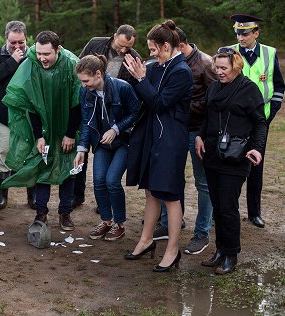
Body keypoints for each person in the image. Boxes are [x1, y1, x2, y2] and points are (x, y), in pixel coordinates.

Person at [123, 20, 193, 272]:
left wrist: (142, 78)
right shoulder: (156, 67)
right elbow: (142, 95)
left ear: (166, 46)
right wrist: (135, 76)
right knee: (151, 190)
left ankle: (173, 250)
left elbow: (160, 103)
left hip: (171, 139)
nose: (150, 54)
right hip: (151, 136)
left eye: (153, 49)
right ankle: (146, 239)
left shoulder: (181, 71)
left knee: (170, 195)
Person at [196, 47, 266, 274]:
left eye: (224, 68)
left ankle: (231, 254)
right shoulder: (215, 86)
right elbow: (208, 115)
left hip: (236, 157)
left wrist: (256, 148)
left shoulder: (249, 89)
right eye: (216, 67)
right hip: (213, 155)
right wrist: (199, 135)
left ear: (236, 66)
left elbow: (260, 123)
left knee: (228, 206)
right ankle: (220, 250)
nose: (219, 72)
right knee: (218, 206)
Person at [2, 30, 81, 231]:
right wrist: (38, 136)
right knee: (42, 167)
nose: (42, 58)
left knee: (68, 169)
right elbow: (29, 103)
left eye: (47, 54)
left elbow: (78, 102)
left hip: (66, 125)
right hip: (43, 127)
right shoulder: (31, 64)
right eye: (38, 53)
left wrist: (70, 133)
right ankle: (41, 212)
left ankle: (65, 212)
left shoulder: (72, 64)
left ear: (58, 50)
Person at [153, 27, 216, 256]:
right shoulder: (168, 63)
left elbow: (213, 101)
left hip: (197, 131)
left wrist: (201, 130)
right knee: (170, 178)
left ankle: (202, 233)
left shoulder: (205, 63)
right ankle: (170, 222)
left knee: (203, 183)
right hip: (174, 129)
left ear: (178, 46)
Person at [74, 55, 141, 240]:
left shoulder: (122, 87)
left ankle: (119, 224)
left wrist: (116, 129)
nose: (83, 85)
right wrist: (82, 149)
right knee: (98, 181)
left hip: (123, 142)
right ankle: (106, 221)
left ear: (98, 74)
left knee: (112, 181)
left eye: (86, 80)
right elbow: (87, 122)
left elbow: (136, 112)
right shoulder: (85, 91)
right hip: (101, 144)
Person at [229, 14, 284, 228]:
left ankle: (254, 213)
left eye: (245, 34)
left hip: (261, 122)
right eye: (238, 33)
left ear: (256, 33)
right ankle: (225, 210)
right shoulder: (229, 52)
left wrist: (270, 114)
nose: (240, 38)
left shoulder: (270, 53)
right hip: (235, 121)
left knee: (256, 167)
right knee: (230, 164)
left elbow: (278, 87)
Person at [0, 20, 35, 210]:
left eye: (21, 42)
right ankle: (2, 196)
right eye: (13, 42)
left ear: (26, 38)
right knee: (2, 153)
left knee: (30, 155)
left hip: (29, 116)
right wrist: (12, 60)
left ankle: (32, 197)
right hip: (4, 114)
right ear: (6, 39)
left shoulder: (34, 54)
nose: (17, 46)